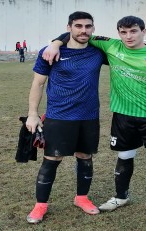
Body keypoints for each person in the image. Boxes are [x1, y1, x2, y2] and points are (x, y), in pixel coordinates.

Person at [45, 15, 146, 218]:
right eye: (124, 32)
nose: (128, 36)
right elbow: (79, 33)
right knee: (124, 156)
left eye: (134, 31)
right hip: (123, 115)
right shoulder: (111, 46)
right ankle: (121, 196)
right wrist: (56, 43)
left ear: (143, 31)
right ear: (118, 33)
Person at [25, 11, 107, 224]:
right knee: (52, 159)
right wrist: (33, 114)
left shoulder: (98, 52)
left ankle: (81, 198)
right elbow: (38, 84)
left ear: (93, 28)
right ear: (69, 27)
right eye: (78, 26)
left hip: (88, 116)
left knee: (85, 157)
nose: (83, 30)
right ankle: (40, 205)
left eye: (88, 26)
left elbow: (126, 47)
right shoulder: (50, 52)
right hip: (59, 115)